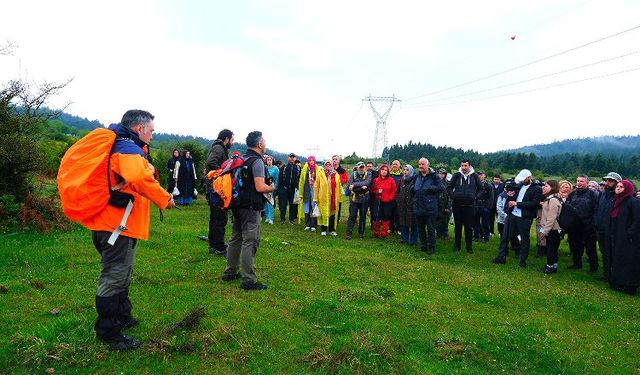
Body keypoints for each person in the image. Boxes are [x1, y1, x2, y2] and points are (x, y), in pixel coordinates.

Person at [83, 110, 175, 350]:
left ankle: (123, 315)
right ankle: (108, 332)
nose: (153, 135)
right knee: (113, 278)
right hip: (116, 227)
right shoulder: (127, 149)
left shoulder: (122, 146)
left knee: (122, 274)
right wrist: (165, 198)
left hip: (113, 224)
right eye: (151, 130)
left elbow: (135, 177)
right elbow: (140, 179)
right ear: (139, 129)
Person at [222, 131, 275, 291]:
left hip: (237, 204)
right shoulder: (257, 162)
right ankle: (248, 280)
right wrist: (272, 187)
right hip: (251, 207)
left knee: (235, 238)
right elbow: (259, 186)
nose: (265, 143)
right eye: (264, 141)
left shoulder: (242, 159)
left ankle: (230, 271)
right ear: (259, 144)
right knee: (250, 241)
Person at [492, 169, 541, 267]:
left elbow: (534, 203)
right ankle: (501, 257)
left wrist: (517, 204)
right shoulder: (519, 186)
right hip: (512, 215)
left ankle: (523, 261)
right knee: (505, 237)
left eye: (524, 179)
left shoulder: (537, 189)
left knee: (524, 239)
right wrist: (510, 197)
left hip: (525, 217)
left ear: (529, 177)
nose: (523, 181)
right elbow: (513, 198)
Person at [606, 179, 640, 295]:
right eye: (617, 186)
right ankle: (618, 282)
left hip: (630, 238)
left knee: (629, 261)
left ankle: (630, 285)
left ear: (628, 189)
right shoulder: (616, 201)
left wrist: (628, 233)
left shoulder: (634, 202)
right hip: (617, 235)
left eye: (621, 187)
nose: (618, 188)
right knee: (619, 259)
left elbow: (637, 220)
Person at [205, 129, 234, 256]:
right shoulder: (218, 148)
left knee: (215, 218)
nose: (232, 142)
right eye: (232, 139)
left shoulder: (219, 148)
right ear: (226, 139)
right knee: (219, 219)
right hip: (217, 190)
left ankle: (214, 244)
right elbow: (211, 162)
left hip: (214, 189)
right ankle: (218, 247)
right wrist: (223, 174)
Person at [565, 175, 599, 273]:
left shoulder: (593, 195)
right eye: (578, 181)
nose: (579, 183)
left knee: (590, 248)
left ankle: (594, 267)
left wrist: (593, 223)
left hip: (588, 225)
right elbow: (568, 208)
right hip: (575, 225)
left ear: (587, 183)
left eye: (582, 181)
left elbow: (596, 210)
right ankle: (576, 264)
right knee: (575, 246)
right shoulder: (572, 194)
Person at [447, 159, 481, 253]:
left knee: (468, 228)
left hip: (470, 206)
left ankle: (469, 248)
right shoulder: (456, 175)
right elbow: (449, 187)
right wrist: (453, 196)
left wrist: (475, 197)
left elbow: (481, 189)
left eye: (465, 166)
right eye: (462, 165)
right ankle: (457, 246)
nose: (463, 168)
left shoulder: (474, 176)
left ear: (469, 166)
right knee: (457, 227)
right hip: (457, 206)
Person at [594, 172, 622, 282]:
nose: (607, 182)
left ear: (617, 182)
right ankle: (606, 274)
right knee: (604, 252)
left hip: (612, 230)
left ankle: (614, 275)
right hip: (600, 228)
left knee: (613, 253)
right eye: (607, 180)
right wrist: (596, 221)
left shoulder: (619, 196)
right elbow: (596, 209)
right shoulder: (602, 193)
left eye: (610, 180)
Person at [412, 158, 443, 254]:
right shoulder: (417, 176)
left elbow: (441, 188)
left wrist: (429, 188)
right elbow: (412, 186)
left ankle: (431, 247)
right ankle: (423, 245)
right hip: (418, 206)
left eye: (422, 164)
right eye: (419, 164)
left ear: (427, 165)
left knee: (430, 228)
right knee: (420, 228)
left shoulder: (434, 176)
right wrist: (414, 188)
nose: (420, 166)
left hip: (430, 208)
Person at [538, 180, 563, 274]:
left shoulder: (553, 200)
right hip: (552, 229)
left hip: (553, 229)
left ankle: (550, 267)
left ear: (552, 188)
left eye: (546, 186)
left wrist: (545, 231)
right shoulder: (550, 199)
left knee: (551, 249)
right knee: (553, 248)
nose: (544, 187)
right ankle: (553, 266)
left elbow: (551, 218)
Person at [314, 160, 342, 236]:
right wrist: (315, 198)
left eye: (330, 164)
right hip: (323, 197)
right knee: (324, 213)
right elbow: (316, 186)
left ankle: (331, 230)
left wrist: (339, 197)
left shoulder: (336, 174)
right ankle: (323, 229)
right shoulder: (320, 174)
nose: (328, 165)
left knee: (332, 213)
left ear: (332, 165)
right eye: (327, 164)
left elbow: (339, 186)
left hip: (333, 197)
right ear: (324, 165)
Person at [345, 162, 372, 239]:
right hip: (354, 199)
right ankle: (348, 233)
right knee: (352, 215)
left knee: (363, 216)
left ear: (365, 168)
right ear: (357, 168)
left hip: (364, 199)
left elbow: (367, 182)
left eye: (363, 167)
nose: (361, 169)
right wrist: (361, 187)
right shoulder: (353, 174)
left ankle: (361, 232)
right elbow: (350, 184)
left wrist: (354, 185)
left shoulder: (369, 174)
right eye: (360, 167)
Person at [371, 164, 397, 238]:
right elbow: (373, 190)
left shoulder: (391, 180)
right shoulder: (376, 180)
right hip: (378, 201)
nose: (384, 171)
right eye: (383, 170)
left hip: (388, 202)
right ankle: (376, 232)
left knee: (386, 216)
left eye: (386, 170)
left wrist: (390, 198)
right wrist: (377, 192)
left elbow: (394, 190)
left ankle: (384, 232)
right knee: (376, 216)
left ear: (388, 172)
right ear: (380, 171)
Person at [396, 164, 417, 245]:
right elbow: (397, 192)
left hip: (411, 206)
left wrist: (414, 202)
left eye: (407, 170)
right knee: (403, 222)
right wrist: (398, 200)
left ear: (411, 171)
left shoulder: (414, 180)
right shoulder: (402, 180)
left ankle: (413, 241)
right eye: (404, 169)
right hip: (402, 205)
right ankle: (404, 239)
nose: (405, 171)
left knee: (413, 224)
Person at [278, 153, 300, 225]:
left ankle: (291, 219)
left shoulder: (297, 168)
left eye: (293, 157)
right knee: (283, 205)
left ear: (295, 158)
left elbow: (299, 178)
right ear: (288, 158)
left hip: (293, 190)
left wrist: (297, 188)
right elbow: (280, 178)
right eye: (291, 157)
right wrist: (281, 189)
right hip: (284, 189)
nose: (292, 158)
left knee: (292, 205)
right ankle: (282, 219)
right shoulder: (284, 167)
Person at [298, 156, 318, 231]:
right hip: (306, 190)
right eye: (310, 160)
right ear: (308, 161)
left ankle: (313, 225)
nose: (311, 161)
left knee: (314, 207)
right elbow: (301, 181)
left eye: (313, 160)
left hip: (314, 191)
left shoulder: (317, 169)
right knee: (306, 207)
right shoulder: (305, 169)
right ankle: (307, 224)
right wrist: (300, 192)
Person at [473, 170, 494, 243]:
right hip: (476, 206)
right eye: (478, 174)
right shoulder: (475, 184)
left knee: (485, 223)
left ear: (485, 176)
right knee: (475, 223)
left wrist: (488, 208)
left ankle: (486, 237)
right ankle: (476, 236)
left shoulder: (488, 185)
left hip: (485, 206)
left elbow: (491, 198)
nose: (479, 176)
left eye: (481, 174)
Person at [435, 168, 452, 239]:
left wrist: (448, 207)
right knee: (437, 220)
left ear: (445, 175)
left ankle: (445, 233)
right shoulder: (435, 183)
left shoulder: (448, 184)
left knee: (445, 220)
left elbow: (450, 196)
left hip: (445, 205)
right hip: (436, 205)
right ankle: (438, 233)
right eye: (439, 173)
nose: (441, 175)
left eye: (442, 173)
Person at [332, 155, 349, 224]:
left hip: (338, 190)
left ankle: (337, 220)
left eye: (336, 159)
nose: (334, 160)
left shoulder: (342, 170)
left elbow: (346, 180)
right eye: (333, 159)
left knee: (338, 205)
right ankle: (330, 219)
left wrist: (338, 180)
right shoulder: (329, 169)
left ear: (339, 161)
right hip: (330, 190)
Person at [263, 155, 279, 225]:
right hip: (264, 187)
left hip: (271, 187)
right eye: (268, 160)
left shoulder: (275, 168)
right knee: (265, 203)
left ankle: (271, 218)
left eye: (270, 160)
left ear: (272, 161)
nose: (269, 161)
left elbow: (277, 179)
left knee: (270, 202)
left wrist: (275, 187)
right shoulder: (264, 167)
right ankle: (267, 217)